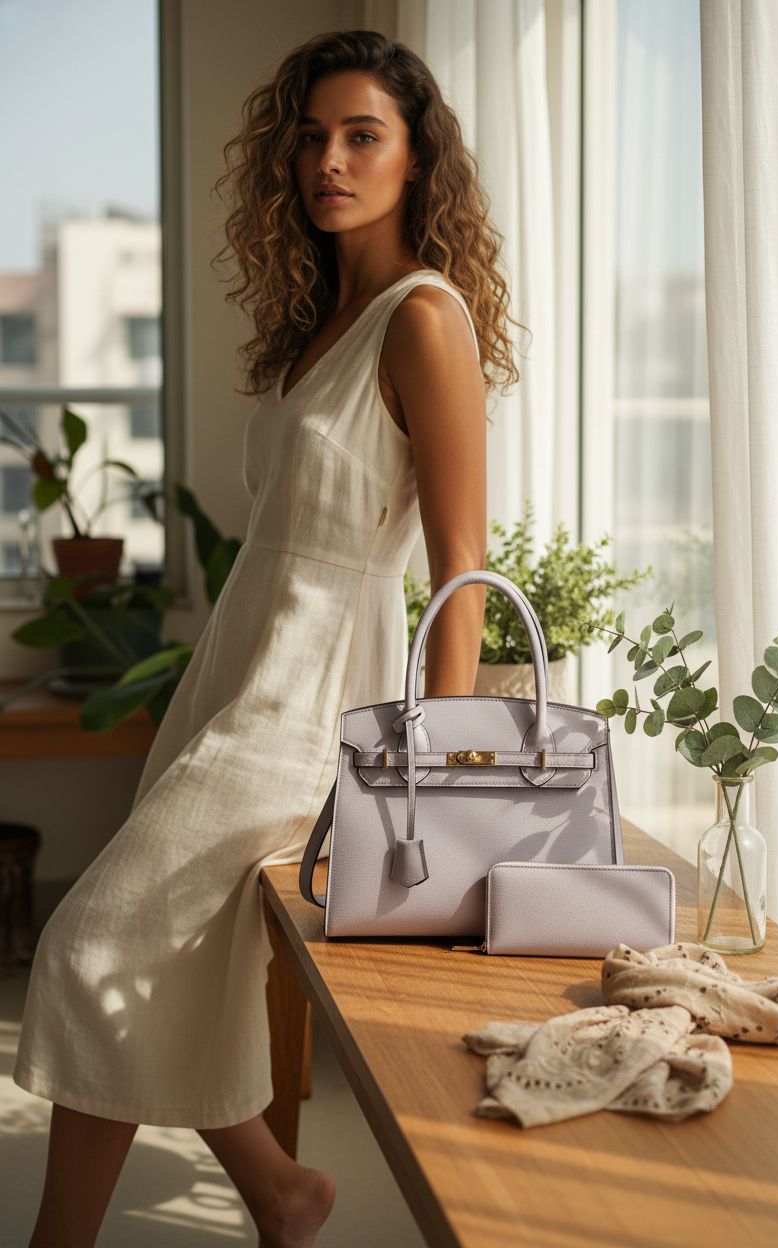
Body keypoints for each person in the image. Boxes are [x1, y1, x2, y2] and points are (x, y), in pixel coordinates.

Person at [13, 27, 523, 1248]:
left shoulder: (422, 319)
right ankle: (282, 1191)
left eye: (363, 136)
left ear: (417, 161)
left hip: (313, 706)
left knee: (90, 941)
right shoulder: (318, 326)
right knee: (152, 962)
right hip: (238, 676)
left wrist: (427, 775)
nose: (329, 161)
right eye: (311, 138)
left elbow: (462, 571)